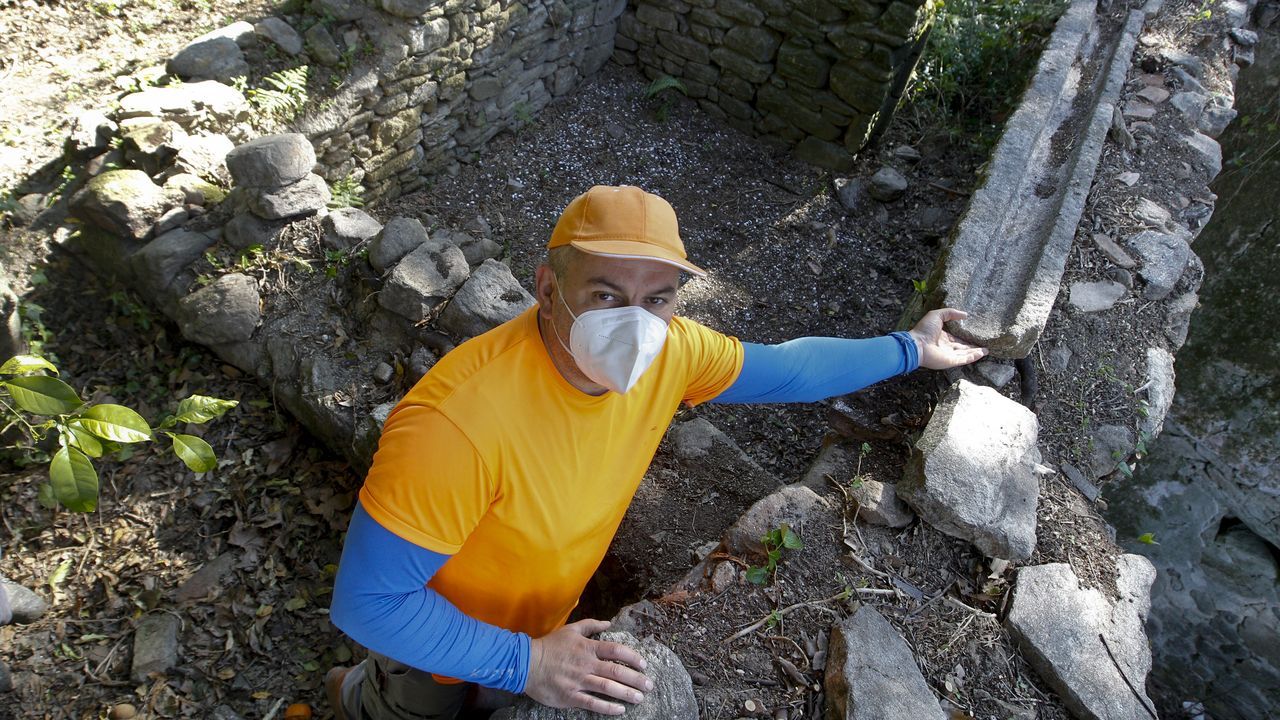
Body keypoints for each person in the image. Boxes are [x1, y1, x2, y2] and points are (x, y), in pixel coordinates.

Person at [326, 185, 986, 720]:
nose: (635, 325)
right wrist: (529, 664)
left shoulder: (672, 351)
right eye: (606, 294)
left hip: (542, 616)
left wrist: (909, 348)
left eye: (657, 299)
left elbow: (790, 369)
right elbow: (370, 604)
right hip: (428, 645)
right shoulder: (456, 427)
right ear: (549, 289)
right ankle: (352, 690)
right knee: (407, 707)